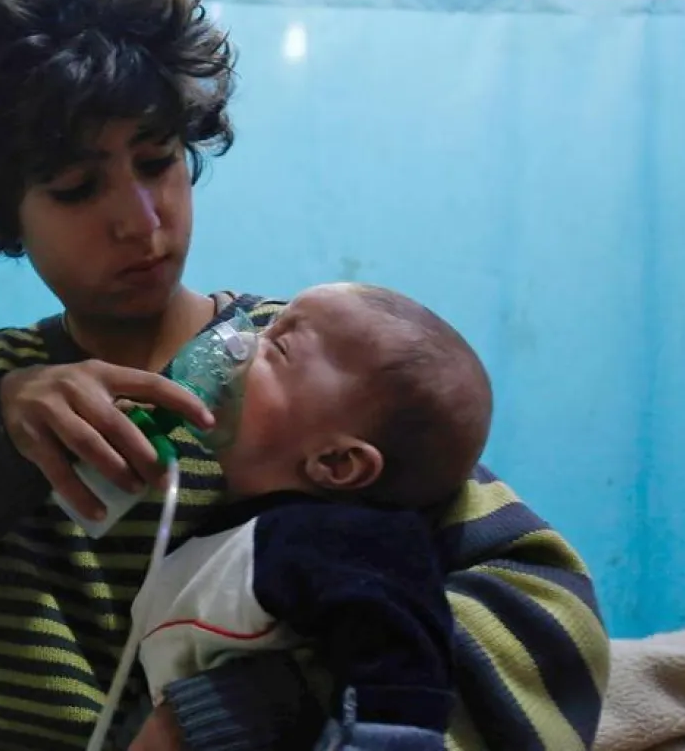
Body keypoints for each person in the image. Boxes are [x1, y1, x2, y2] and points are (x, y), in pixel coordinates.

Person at [0, 0, 610, 751]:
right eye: (80, 188)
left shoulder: (304, 377)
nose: (142, 220)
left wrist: (270, 704)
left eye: (158, 162)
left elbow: (555, 621)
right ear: (6, 215)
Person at [131, 283, 492, 750]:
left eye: (276, 346)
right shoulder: (217, 539)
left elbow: (398, 645)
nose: (238, 341)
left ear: (337, 463)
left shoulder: (336, 539)